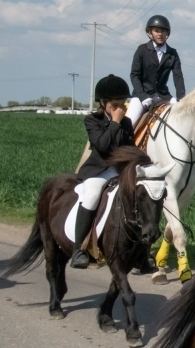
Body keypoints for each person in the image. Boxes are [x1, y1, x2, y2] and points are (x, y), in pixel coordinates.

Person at [71, 74, 135, 268]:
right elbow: (103, 145)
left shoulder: (127, 122)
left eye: (123, 105)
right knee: (92, 195)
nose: (120, 109)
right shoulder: (92, 120)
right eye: (115, 105)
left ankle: (140, 250)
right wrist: (115, 122)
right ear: (103, 103)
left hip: (118, 170)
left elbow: (130, 148)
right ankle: (78, 250)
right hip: (98, 171)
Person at [127, 14, 186, 127]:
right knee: (129, 123)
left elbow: (178, 77)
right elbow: (134, 75)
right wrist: (143, 96)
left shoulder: (172, 53)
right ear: (150, 32)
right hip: (141, 96)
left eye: (163, 31)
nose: (160, 34)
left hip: (163, 96)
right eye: (157, 31)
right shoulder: (142, 50)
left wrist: (181, 98)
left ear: (167, 33)